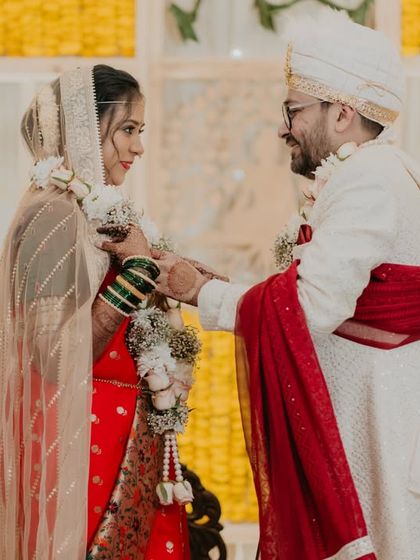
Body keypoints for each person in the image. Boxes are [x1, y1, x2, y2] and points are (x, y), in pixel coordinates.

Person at [152, 9, 420, 560]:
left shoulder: (368, 179)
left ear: (342, 113)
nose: (281, 127)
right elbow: (313, 288)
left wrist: (200, 293)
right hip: (368, 421)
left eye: (293, 110)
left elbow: (313, 304)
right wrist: (218, 283)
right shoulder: (366, 173)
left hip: (379, 429)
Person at [0, 65, 192, 559]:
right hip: (81, 438)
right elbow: (54, 355)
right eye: (127, 130)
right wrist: (136, 274)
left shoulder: (100, 214)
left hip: (120, 429)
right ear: (83, 129)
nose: (137, 147)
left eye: (139, 132)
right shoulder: (53, 213)